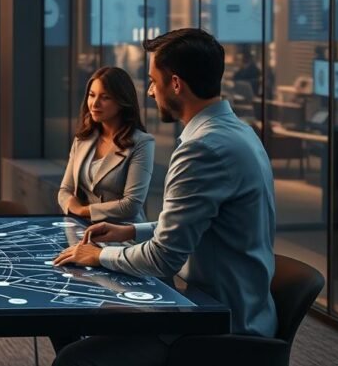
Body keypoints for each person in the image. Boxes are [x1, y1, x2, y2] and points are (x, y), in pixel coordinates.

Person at [52, 29, 277, 366]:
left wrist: (99, 255)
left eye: (154, 81)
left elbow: (163, 259)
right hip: (245, 307)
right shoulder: (238, 131)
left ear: (175, 84)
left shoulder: (201, 148)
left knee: (74, 359)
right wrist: (130, 232)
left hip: (215, 325)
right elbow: (199, 218)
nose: (150, 91)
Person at [58, 66, 154, 224]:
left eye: (105, 97)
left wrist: (84, 210)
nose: (95, 103)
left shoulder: (142, 142)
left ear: (122, 101)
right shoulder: (83, 139)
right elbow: (65, 190)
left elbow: (131, 204)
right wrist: (72, 206)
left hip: (123, 235)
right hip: (83, 228)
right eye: (91, 95)